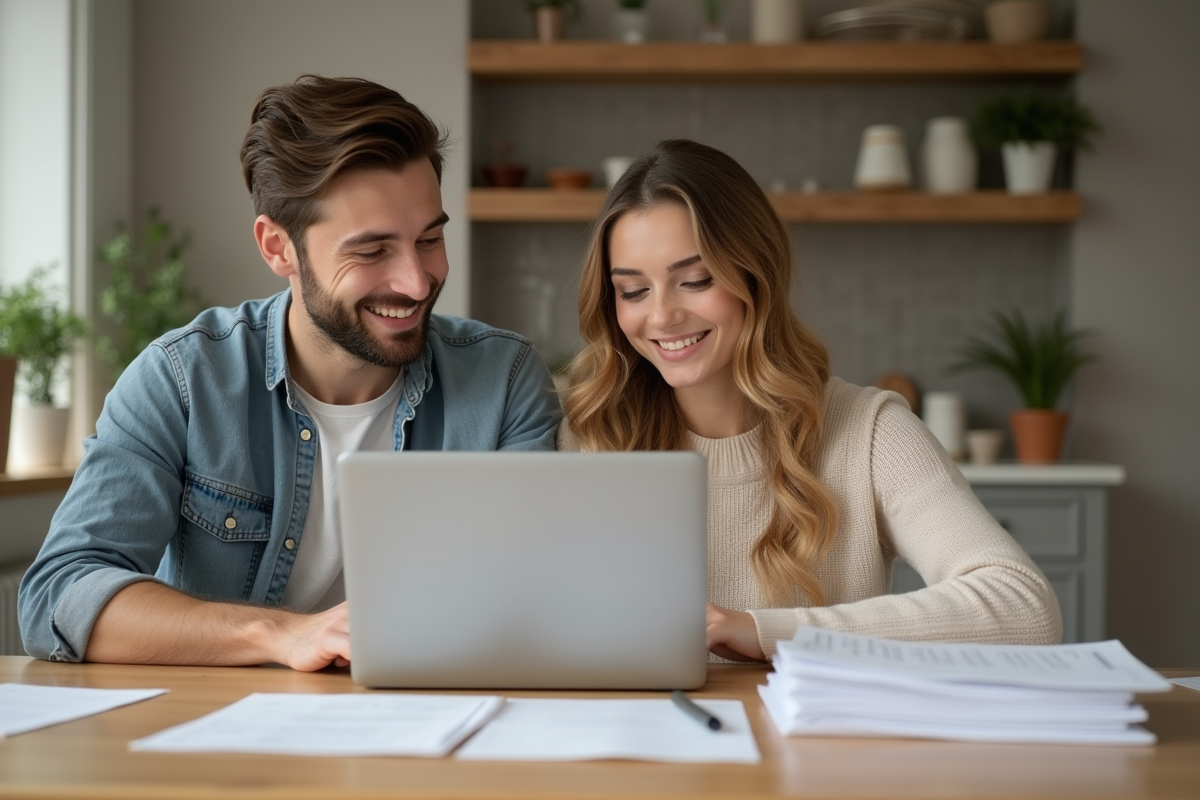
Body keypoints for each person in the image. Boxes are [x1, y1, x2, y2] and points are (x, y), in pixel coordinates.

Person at [19, 76, 561, 670]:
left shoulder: (504, 379)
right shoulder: (182, 379)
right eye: (372, 250)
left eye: (428, 238)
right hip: (235, 742)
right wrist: (281, 635)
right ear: (278, 248)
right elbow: (59, 595)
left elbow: (544, 597)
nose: (415, 281)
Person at [558, 139, 1061, 663]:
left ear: (757, 273)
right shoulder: (586, 433)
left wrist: (765, 631)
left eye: (696, 280)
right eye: (633, 291)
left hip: (818, 741)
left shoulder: (870, 432)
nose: (661, 316)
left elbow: (1024, 607)